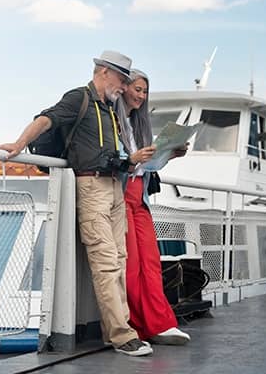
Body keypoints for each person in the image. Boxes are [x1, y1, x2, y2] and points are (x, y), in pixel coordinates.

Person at [0, 51, 153, 357]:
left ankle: (115, 332)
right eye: (122, 79)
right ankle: (123, 337)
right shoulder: (78, 98)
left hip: (112, 186)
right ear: (104, 72)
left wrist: (132, 161)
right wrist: (18, 144)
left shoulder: (109, 109)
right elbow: (45, 119)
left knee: (119, 260)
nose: (123, 86)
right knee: (106, 263)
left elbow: (112, 152)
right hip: (91, 186)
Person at [115, 69, 191, 345]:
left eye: (145, 91)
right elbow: (116, 159)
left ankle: (161, 323)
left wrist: (169, 153)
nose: (141, 96)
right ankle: (137, 326)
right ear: (124, 88)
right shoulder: (113, 120)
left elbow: (147, 166)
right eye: (137, 89)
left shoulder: (139, 124)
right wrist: (133, 158)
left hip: (140, 199)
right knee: (131, 265)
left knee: (151, 262)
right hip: (121, 198)